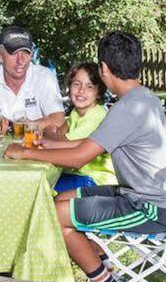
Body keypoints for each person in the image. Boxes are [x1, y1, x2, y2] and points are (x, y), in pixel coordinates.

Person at [2, 30, 166, 282]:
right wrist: (50, 144)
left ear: (104, 69)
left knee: (49, 215)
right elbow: (92, 144)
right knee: (59, 200)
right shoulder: (142, 98)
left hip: (150, 208)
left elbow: (78, 159)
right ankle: (102, 261)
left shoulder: (127, 108)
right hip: (139, 194)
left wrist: (26, 152)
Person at [0, 23, 66, 135]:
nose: (20, 60)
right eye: (14, 53)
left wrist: (25, 127)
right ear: (0, 55)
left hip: (33, 149)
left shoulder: (44, 76)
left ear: (31, 55)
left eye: (26, 53)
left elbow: (58, 120)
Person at [44, 62, 117, 194]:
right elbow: (57, 137)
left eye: (89, 86)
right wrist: (53, 135)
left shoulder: (97, 115)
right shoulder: (75, 113)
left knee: (43, 188)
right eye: (76, 84)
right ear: (69, 87)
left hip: (96, 180)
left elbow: (58, 142)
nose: (81, 91)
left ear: (99, 93)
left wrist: (49, 131)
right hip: (78, 174)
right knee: (41, 181)